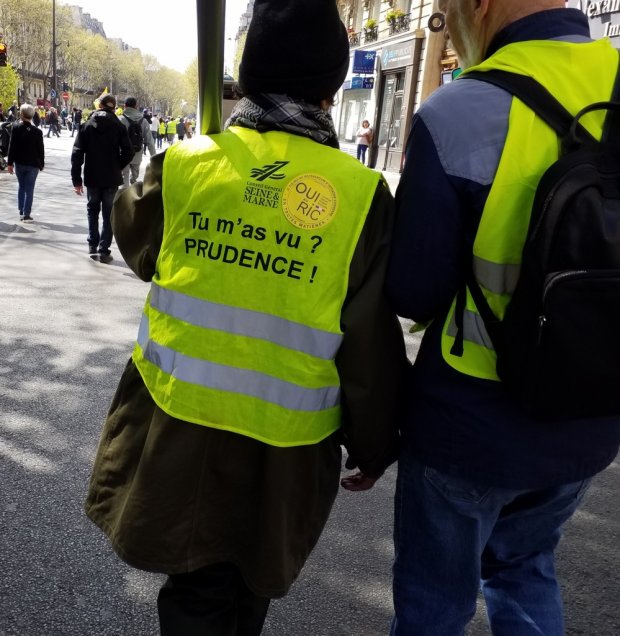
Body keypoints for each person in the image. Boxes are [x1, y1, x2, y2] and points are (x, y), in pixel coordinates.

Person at [84, 0, 407, 634]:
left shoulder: (190, 164)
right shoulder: (362, 195)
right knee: (244, 588)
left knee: (195, 586)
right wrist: (376, 443)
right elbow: (368, 342)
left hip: (180, 430)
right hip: (283, 450)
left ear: (247, 75)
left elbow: (133, 236)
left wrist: (171, 167)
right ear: (333, 84)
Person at [384, 1, 620, 634]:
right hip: (592, 415)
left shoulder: (459, 110)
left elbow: (414, 290)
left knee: (436, 603)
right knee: (524, 570)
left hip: (471, 422)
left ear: (478, 5)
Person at [70, 93, 134, 263]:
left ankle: (92, 244)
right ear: (114, 107)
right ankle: (104, 249)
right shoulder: (119, 126)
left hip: (92, 175)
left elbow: (77, 154)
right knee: (108, 213)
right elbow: (129, 152)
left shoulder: (87, 125)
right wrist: (117, 166)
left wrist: (76, 180)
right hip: (111, 177)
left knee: (92, 209)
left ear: (99, 105)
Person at [7, 103, 44, 222]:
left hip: (20, 163)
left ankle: (21, 209)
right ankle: (26, 213)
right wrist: (41, 163)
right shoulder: (37, 132)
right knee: (30, 188)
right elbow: (40, 149)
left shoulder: (16, 128)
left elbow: (12, 146)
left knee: (22, 186)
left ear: (22, 114)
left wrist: (10, 163)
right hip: (33, 164)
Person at [119, 97, 155, 186]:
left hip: (123, 154)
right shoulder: (144, 121)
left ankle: (125, 195)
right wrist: (154, 157)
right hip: (137, 152)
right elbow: (149, 141)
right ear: (136, 106)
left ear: (125, 106)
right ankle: (133, 187)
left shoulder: (120, 119)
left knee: (124, 176)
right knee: (134, 176)